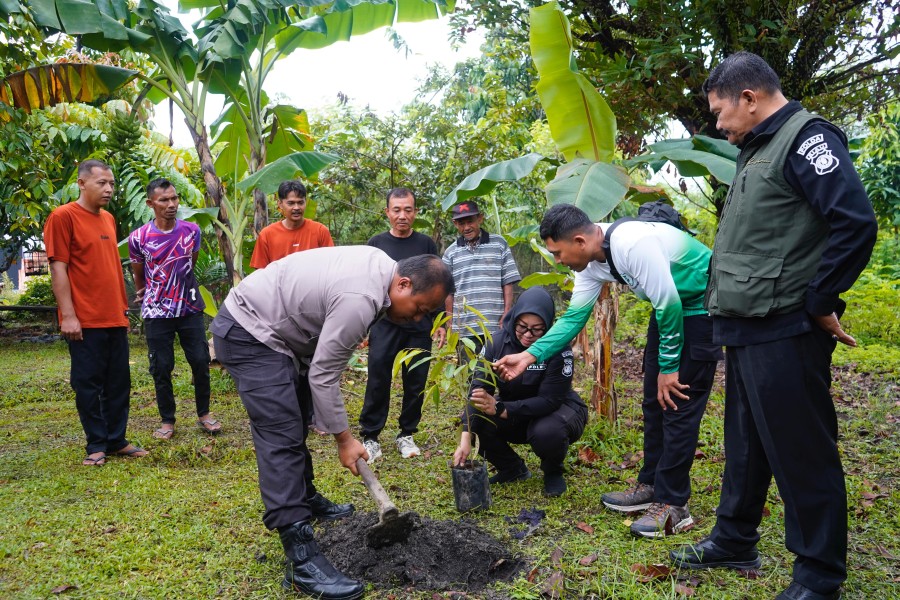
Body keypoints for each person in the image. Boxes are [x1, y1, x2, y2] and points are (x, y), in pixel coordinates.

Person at [667, 52, 877, 600]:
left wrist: (821, 300)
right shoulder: (757, 150)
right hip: (745, 325)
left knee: (801, 451)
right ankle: (735, 539)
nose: (717, 125)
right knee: (746, 443)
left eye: (719, 112)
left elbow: (854, 222)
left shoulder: (808, 141)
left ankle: (818, 574)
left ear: (750, 98)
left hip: (786, 326)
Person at [210, 247, 453, 599]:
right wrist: (345, 439)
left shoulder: (381, 268)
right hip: (251, 331)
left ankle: (305, 499)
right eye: (420, 309)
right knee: (281, 435)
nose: (418, 320)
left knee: (295, 421)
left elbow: (322, 363)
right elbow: (324, 374)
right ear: (402, 284)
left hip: (280, 336)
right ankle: (302, 563)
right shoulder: (362, 298)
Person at [493, 203, 722, 537]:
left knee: (677, 405)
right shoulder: (591, 262)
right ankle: (651, 485)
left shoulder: (633, 244)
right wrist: (529, 356)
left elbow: (670, 301)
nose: (558, 261)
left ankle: (675, 505)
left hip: (699, 309)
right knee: (653, 403)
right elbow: (573, 319)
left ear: (580, 241)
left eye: (558, 253)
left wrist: (669, 367)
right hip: (669, 313)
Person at [44, 159, 148, 466]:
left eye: (112, 183)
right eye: (102, 182)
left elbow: (110, 268)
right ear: (82, 183)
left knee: (119, 382)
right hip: (84, 319)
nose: (109, 188)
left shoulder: (108, 219)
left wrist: (122, 309)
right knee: (88, 383)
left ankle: (116, 439)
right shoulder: (63, 217)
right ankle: (97, 444)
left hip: (113, 315)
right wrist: (69, 315)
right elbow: (58, 268)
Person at [452, 286, 587, 497]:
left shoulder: (559, 348)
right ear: (513, 319)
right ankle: (512, 469)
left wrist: (501, 409)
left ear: (548, 326)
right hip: (514, 410)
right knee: (476, 417)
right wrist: (465, 438)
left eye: (537, 329)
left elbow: (549, 400)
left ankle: (553, 472)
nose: (528, 335)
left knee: (546, 431)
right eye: (522, 327)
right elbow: (478, 390)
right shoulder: (497, 343)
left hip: (557, 411)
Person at [359, 188, 446, 463]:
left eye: (408, 209)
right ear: (387, 212)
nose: (402, 215)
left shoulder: (426, 244)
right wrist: (364, 322)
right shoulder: (376, 242)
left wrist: (441, 321)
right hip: (384, 323)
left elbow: (437, 284)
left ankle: (406, 433)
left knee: (416, 380)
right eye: (396, 210)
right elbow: (368, 282)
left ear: (415, 212)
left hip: (419, 324)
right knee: (378, 378)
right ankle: (370, 436)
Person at [128, 178, 220, 440]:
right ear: (150, 203)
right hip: (157, 313)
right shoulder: (139, 237)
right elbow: (139, 274)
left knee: (201, 361)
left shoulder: (191, 231)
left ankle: (204, 414)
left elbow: (190, 264)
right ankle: (167, 420)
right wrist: (147, 292)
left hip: (190, 308)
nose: (171, 204)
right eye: (164, 200)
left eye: (174, 198)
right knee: (161, 366)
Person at [442, 200, 520, 355]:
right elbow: (447, 291)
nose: (466, 227)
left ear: (480, 218)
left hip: (494, 325)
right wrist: (449, 320)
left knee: (495, 370)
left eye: (470, 221)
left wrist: (506, 313)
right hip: (464, 327)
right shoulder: (450, 253)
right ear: (455, 224)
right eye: (461, 223)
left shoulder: (499, 244)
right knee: (469, 374)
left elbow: (508, 281)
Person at [249, 180, 333, 269]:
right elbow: (260, 272)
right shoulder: (267, 235)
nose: (296, 208)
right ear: (280, 204)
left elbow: (331, 265)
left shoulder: (320, 231)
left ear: (306, 202)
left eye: (300, 202)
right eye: (291, 203)